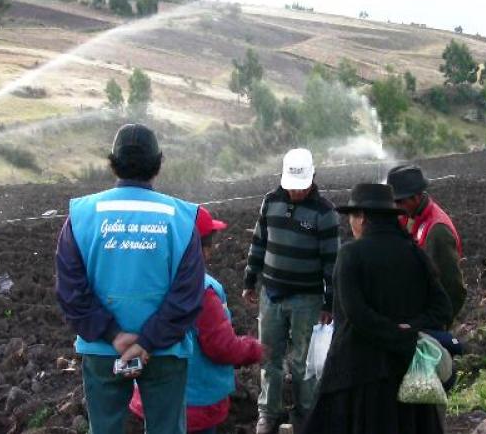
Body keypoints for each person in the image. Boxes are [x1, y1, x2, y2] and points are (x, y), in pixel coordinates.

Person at [55, 124, 205, 434]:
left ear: (112, 163)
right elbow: (188, 294)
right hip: (164, 352)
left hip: (101, 350)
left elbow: (71, 290)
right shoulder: (181, 218)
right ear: (158, 164)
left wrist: (113, 334)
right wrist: (148, 341)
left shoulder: (82, 215)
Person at [303, 183, 453, 434]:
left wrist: (393, 332)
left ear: (362, 217)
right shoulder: (413, 252)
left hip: (358, 373)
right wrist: (410, 329)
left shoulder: (351, 253)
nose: (350, 224)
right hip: (406, 372)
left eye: (352, 216)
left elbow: (356, 313)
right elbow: (442, 308)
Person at [130, 206, 264, 434]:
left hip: (152, 396)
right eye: (208, 244)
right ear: (200, 249)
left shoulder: (147, 282)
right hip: (194, 403)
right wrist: (257, 350)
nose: (210, 252)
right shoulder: (203, 291)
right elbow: (221, 347)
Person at [242, 148, 340, 433]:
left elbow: (331, 262)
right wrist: (250, 280)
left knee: (303, 363)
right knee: (269, 357)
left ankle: (306, 415)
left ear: (312, 179)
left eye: (301, 187)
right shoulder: (270, 202)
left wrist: (328, 303)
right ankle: (268, 413)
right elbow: (259, 243)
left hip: (307, 299)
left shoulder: (325, 213)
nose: (296, 192)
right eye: (292, 187)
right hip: (271, 295)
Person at [386, 165, 466, 321]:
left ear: (415, 198)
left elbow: (452, 288)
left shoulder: (437, 232)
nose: (395, 207)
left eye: (398, 202)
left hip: (429, 320)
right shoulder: (408, 216)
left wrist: (437, 323)